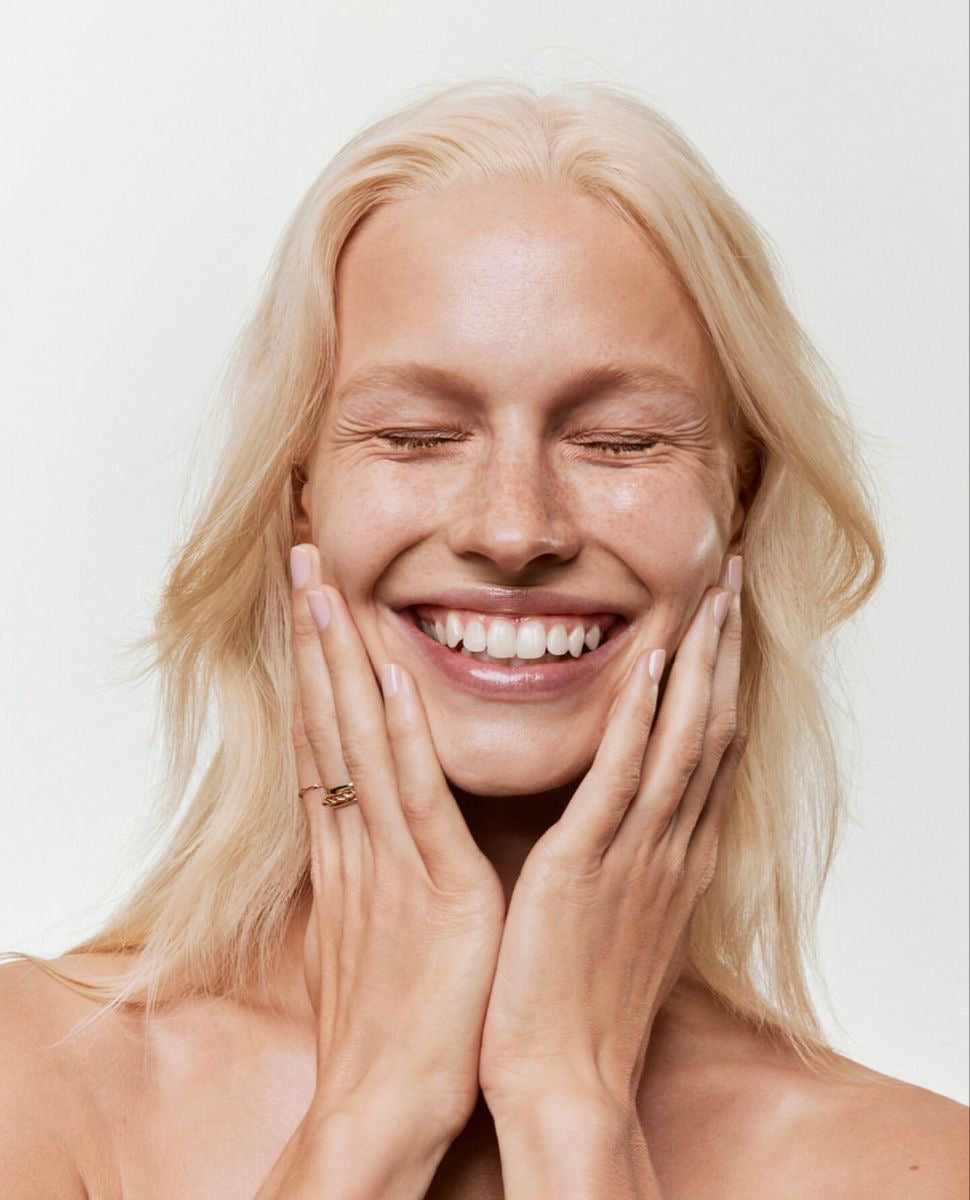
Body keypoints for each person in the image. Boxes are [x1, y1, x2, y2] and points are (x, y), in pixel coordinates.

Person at [1, 78, 966, 1199]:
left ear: (739, 502)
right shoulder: (43, 1084)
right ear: (301, 497)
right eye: (415, 435)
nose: (514, 529)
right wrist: (372, 1114)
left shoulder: (906, 1168)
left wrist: (572, 1109)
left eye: (621, 441)